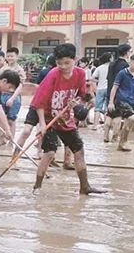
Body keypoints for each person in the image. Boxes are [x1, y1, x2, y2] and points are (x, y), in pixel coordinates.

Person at [32, 43, 105, 195]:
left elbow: (80, 94)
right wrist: (43, 125)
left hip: (66, 119)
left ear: (75, 59)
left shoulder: (80, 74)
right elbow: (39, 102)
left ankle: (84, 186)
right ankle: (37, 187)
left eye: (67, 63)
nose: (63, 66)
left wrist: (76, 102)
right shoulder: (53, 75)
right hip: (49, 117)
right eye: (60, 63)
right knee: (49, 153)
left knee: (79, 150)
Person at [14, 54, 58, 161]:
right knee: (32, 130)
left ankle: (38, 154)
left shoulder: (49, 72)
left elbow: (37, 86)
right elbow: (39, 89)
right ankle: (20, 156)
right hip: (38, 104)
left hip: (47, 106)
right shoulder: (48, 73)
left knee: (33, 131)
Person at [108, 53, 134, 152]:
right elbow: (114, 87)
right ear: (130, 62)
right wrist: (111, 102)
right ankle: (123, 141)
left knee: (129, 123)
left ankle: (122, 142)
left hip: (133, 101)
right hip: (122, 100)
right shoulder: (122, 73)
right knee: (132, 118)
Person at [0, 47, 26, 145]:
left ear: (17, 57)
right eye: (8, 56)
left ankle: (11, 141)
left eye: (12, 56)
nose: (10, 58)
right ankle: (1, 139)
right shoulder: (3, 69)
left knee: (11, 120)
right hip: (2, 95)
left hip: (14, 97)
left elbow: (20, 86)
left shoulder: (20, 70)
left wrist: (12, 99)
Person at [103, 43, 133, 142]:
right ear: (126, 52)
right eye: (130, 51)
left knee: (110, 114)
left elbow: (108, 78)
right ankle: (115, 138)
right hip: (119, 93)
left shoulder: (112, 64)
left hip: (109, 91)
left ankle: (105, 136)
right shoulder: (125, 65)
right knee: (117, 116)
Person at [90, 52, 113, 126]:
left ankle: (95, 125)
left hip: (100, 89)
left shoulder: (99, 68)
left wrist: (98, 81)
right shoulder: (112, 67)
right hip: (109, 89)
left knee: (97, 108)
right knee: (106, 108)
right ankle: (106, 125)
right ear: (110, 59)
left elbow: (92, 78)